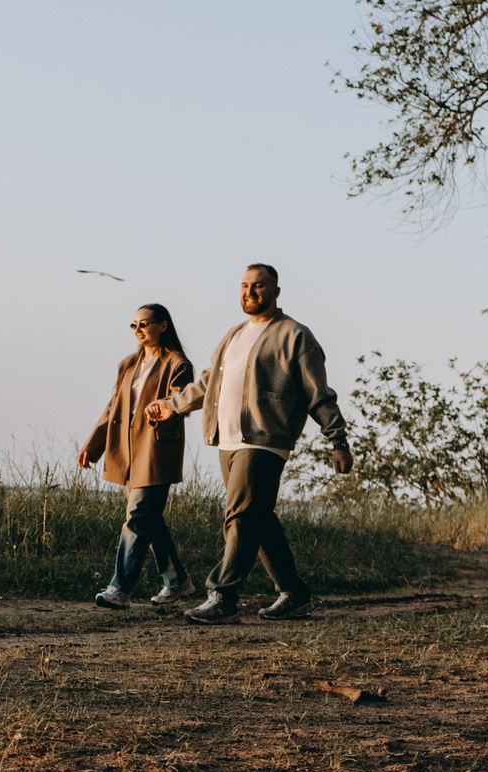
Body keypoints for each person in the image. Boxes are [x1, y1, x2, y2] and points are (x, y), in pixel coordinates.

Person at [147, 264, 350, 621]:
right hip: (227, 439)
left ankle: (223, 596)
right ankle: (295, 593)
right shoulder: (234, 335)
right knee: (259, 517)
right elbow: (206, 384)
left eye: (258, 286)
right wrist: (171, 406)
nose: (249, 292)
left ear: (275, 291)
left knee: (239, 516)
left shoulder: (295, 336)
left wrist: (338, 439)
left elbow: (319, 394)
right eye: (244, 286)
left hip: (265, 440)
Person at [78, 304, 197, 607]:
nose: (139, 330)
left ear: (163, 326)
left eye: (144, 323)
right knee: (150, 520)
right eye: (134, 325)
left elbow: (179, 402)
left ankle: (120, 589)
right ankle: (178, 582)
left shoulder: (178, 364)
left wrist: (165, 407)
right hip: (125, 450)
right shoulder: (128, 364)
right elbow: (112, 408)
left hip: (155, 449)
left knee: (138, 518)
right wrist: (94, 446)